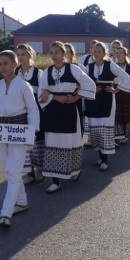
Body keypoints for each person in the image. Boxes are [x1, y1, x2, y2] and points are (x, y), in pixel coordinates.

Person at [0, 50, 40, 229]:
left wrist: (32, 133)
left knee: (14, 172)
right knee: (10, 171)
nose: (2, 67)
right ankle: (22, 202)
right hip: (2, 131)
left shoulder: (24, 86)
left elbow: (33, 111)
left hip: (20, 131)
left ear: (15, 65)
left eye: (5, 63)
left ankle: (6, 213)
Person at [38, 41, 96, 193]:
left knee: (70, 142)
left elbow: (90, 85)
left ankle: (75, 170)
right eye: (51, 52)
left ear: (64, 54)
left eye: (57, 52)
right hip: (52, 110)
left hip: (69, 110)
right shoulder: (46, 72)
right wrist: (51, 96)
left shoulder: (73, 69)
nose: (54, 55)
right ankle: (55, 181)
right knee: (52, 144)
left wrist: (75, 98)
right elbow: (41, 94)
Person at [83, 42, 130, 171]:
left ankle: (105, 160)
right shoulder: (89, 67)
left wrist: (116, 89)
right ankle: (100, 156)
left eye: (99, 51)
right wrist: (92, 89)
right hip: (94, 100)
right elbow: (83, 82)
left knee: (104, 129)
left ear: (105, 53)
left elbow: (126, 78)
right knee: (95, 130)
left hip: (107, 99)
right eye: (95, 51)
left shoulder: (110, 65)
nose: (96, 54)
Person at [15, 44, 45, 185]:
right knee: (24, 142)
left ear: (30, 56)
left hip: (34, 109)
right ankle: (29, 172)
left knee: (37, 139)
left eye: (23, 54)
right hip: (20, 110)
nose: (20, 57)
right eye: (18, 54)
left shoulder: (38, 73)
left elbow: (43, 91)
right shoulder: (15, 72)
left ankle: (40, 169)